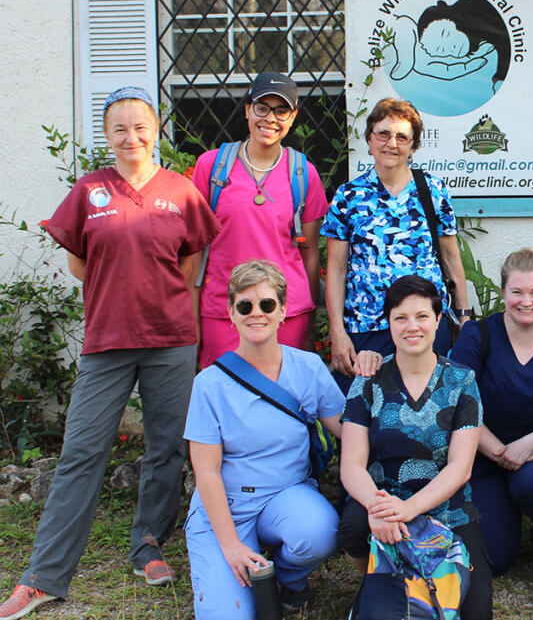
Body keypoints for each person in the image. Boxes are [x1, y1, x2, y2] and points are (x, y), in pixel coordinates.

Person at [0, 87, 220, 620]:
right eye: (119, 128)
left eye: (140, 127)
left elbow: (190, 265)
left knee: (167, 450)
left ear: (155, 130)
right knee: (81, 455)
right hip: (107, 340)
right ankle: (44, 576)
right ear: (107, 135)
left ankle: (148, 546)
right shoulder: (89, 191)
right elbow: (81, 263)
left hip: (170, 339)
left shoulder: (181, 192)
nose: (131, 137)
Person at [183, 260, 344, 618]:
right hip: (228, 506)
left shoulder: (308, 368)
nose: (257, 314)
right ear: (231, 313)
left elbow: (346, 430)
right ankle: (237, 565)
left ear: (283, 310)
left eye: (267, 304)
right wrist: (230, 545)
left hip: (287, 495)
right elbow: (206, 472)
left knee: (319, 533)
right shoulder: (209, 385)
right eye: (245, 306)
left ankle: (288, 578)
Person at [339, 275, 492, 620]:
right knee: (354, 527)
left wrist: (409, 509)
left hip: (447, 509)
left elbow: (460, 467)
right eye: (401, 318)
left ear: (439, 321)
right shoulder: (368, 381)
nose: (413, 327)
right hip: (382, 505)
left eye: (422, 316)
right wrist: (381, 510)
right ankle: (377, 571)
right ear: (388, 323)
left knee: (476, 612)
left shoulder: (462, 380)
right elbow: (351, 465)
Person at [448, 248, 533, 575]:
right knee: (493, 558)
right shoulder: (477, 336)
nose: (527, 301)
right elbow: (456, 406)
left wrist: (525, 447)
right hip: (484, 455)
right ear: (503, 293)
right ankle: (502, 514)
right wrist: (500, 452)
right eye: (517, 292)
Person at [321, 98, 471, 391]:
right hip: (368, 327)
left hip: (425, 326)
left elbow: (451, 258)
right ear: (369, 138)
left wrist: (465, 318)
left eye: (402, 137)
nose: (392, 143)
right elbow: (336, 269)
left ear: (413, 147)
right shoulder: (349, 196)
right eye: (383, 133)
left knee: (428, 409)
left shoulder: (433, 190)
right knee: (368, 413)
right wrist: (337, 331)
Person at [192, 72, 329, 369]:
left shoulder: (303, 174)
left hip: (285, 312)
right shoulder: (211, 167)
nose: (270, 118)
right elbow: (193, 250)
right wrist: (192, 315)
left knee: (284, 399)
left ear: (292, 117)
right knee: (227, 397)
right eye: (262, 108)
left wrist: (306, 314)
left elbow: (309, 251)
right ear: (247, 110)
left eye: (281, 111)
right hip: (224, 309)